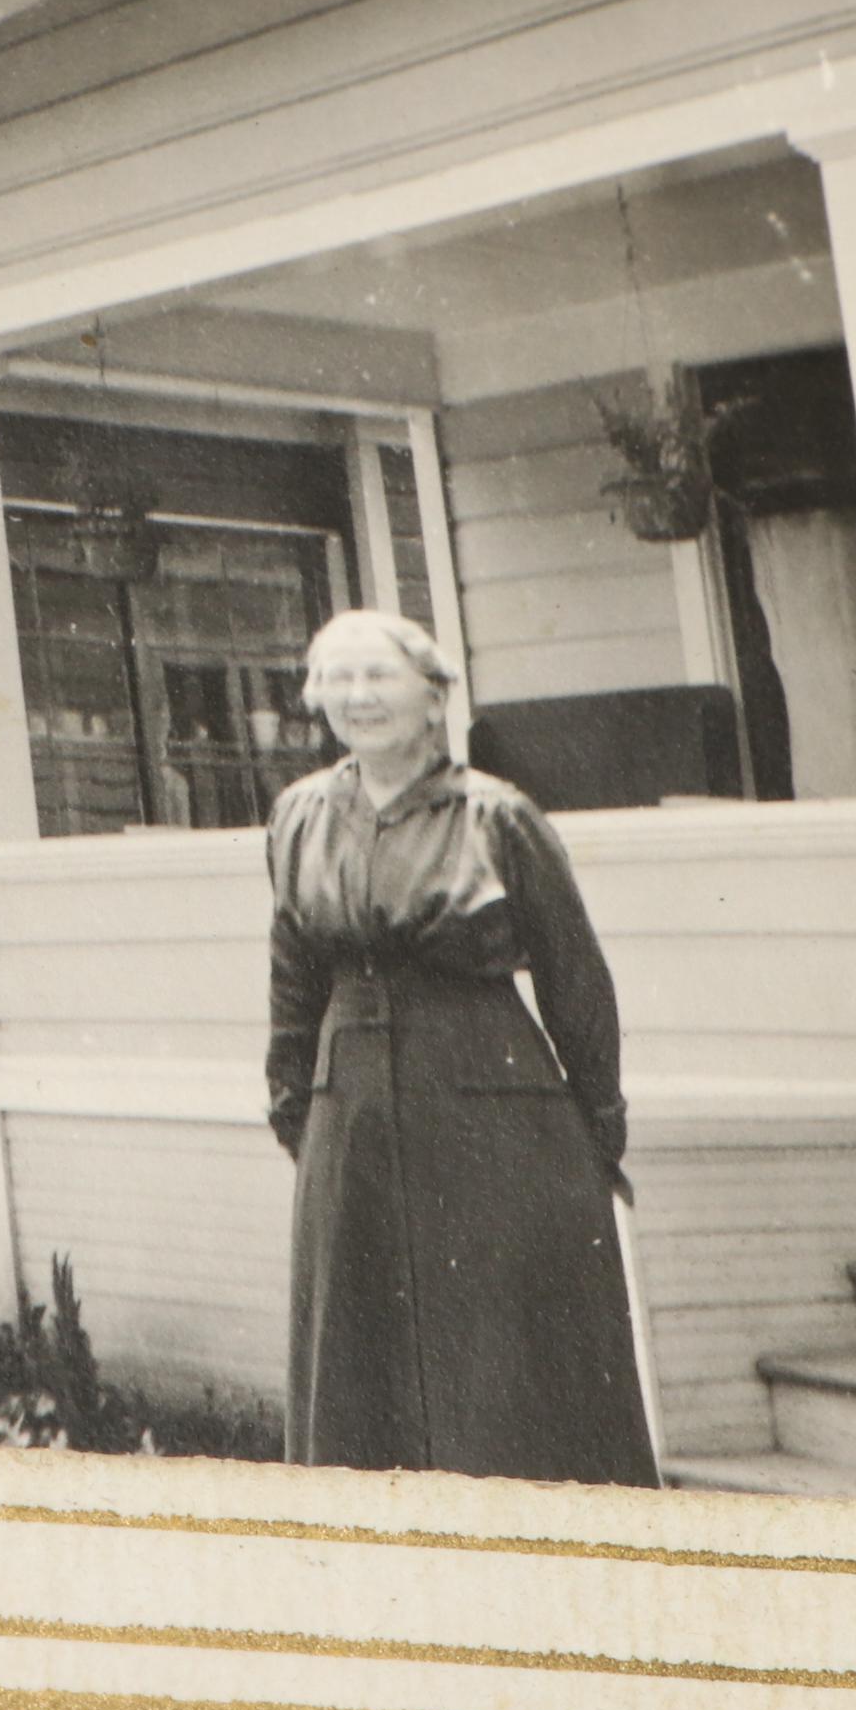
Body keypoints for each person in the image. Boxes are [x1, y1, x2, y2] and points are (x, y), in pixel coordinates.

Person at [264, 609, 660, 1485]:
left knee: (495, 1370)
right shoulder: (298, 818)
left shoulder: (498, 817)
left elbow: (574, 978)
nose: (358, 696)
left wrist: (599, 1127)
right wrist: (297, 1105)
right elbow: (293, 973)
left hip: (490, 1114)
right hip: (352, 1118)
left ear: (434, 695)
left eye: (379, 676)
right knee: (361, 1370)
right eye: (340, 678)